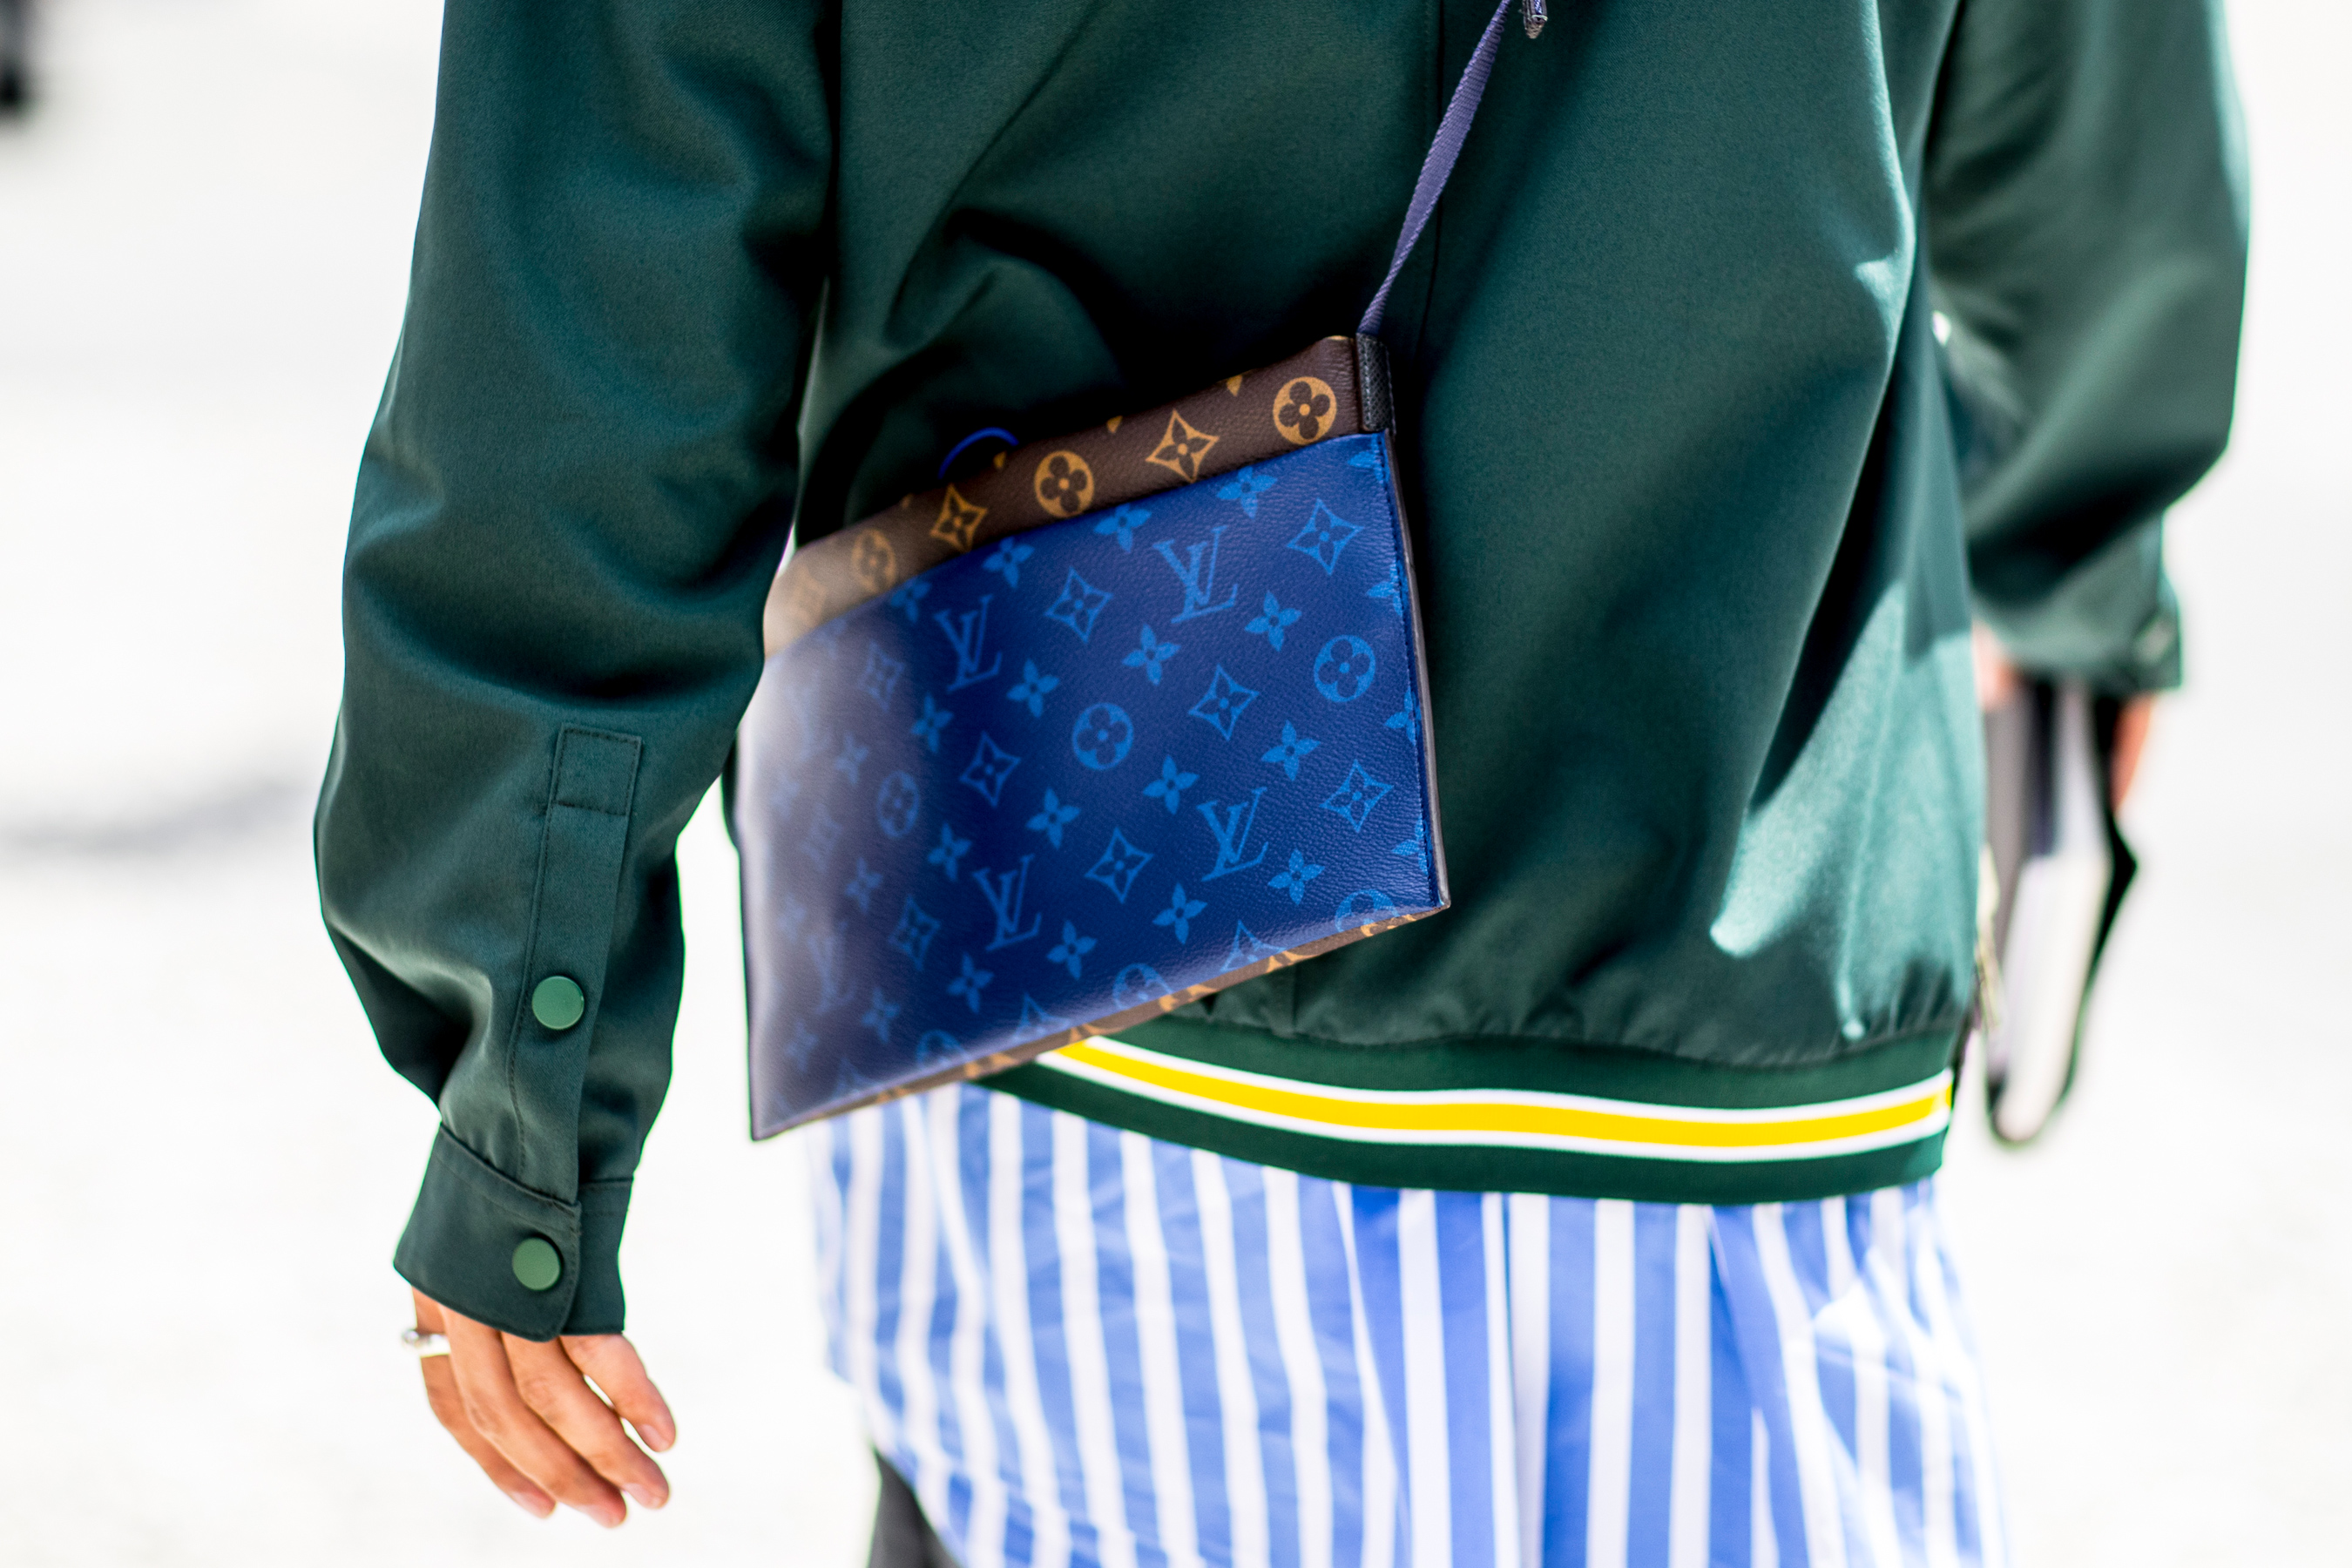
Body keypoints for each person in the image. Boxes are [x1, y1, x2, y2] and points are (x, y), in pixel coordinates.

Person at [315, 0, 2246, 1562]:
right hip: (1741, 959)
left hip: (1080, 954)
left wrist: (523, 1061)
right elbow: (2095, 134)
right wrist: (2079, 573)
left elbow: (605, 271)